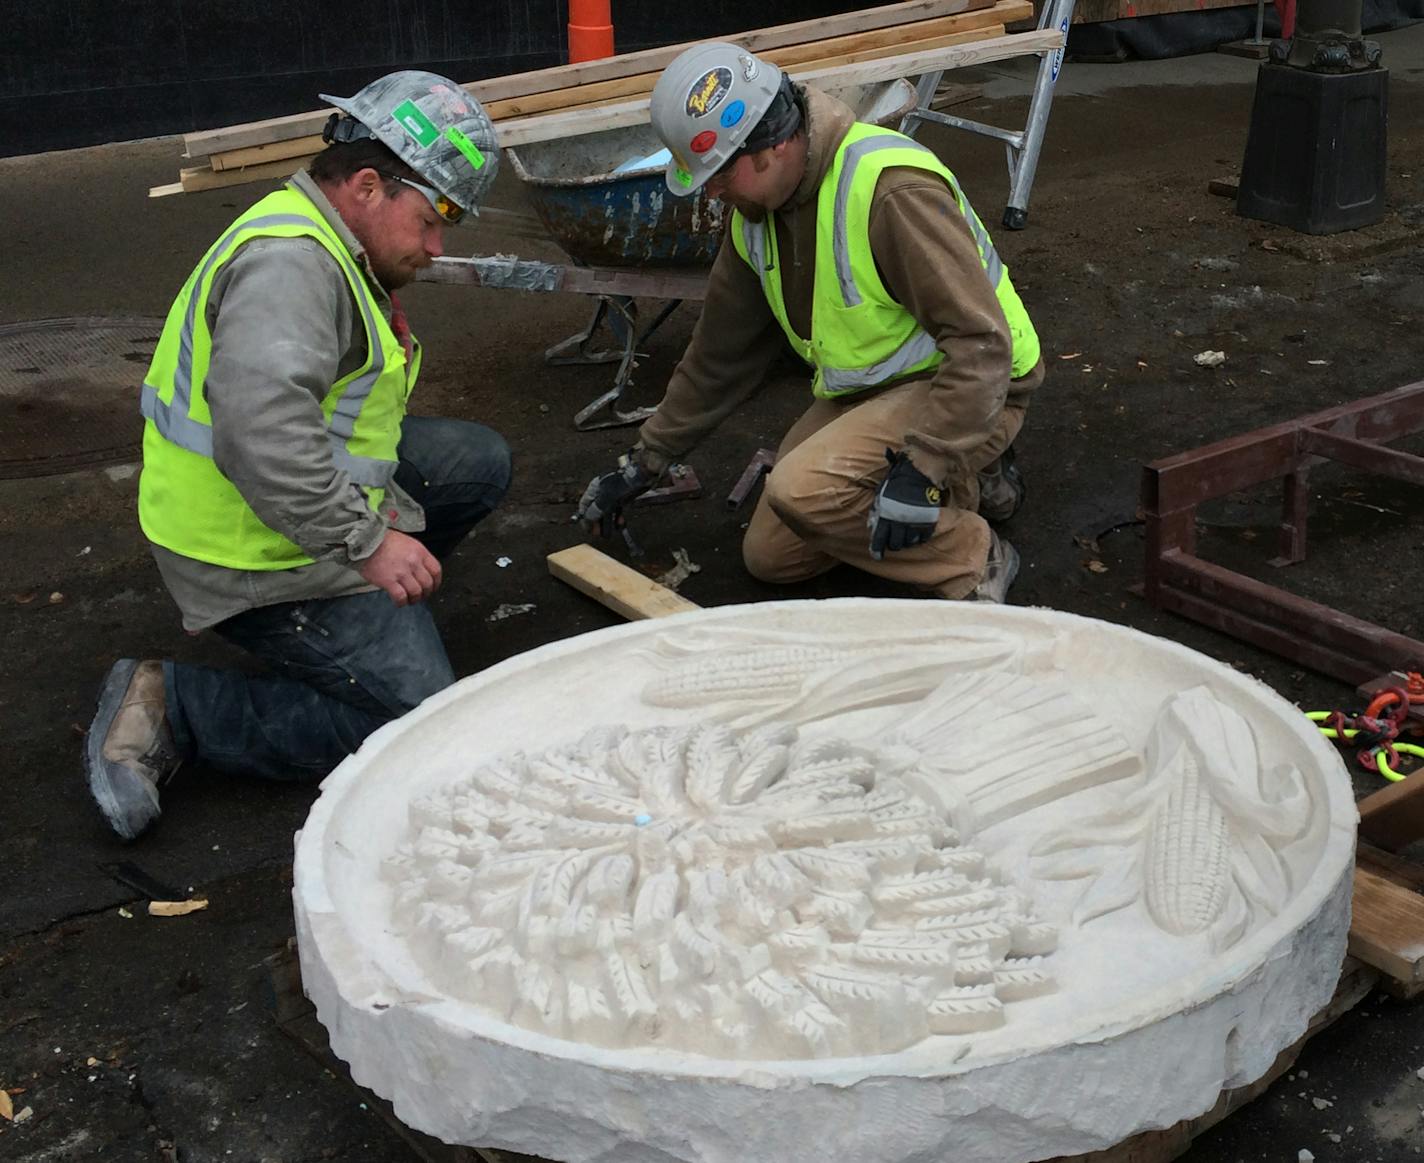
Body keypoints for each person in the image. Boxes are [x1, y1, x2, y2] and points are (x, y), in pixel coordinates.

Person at [84, 71, 512, 841]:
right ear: (371, 185)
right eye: (435, 216)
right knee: (416, 723)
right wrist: (371, 543)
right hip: (247, 549)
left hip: (290, 506)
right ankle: (176, 706)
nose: (439, 244)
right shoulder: (292, 265)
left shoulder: (331, 243)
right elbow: (262, 432)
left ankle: (360, 626)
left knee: (476, 461)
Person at [577, 44, 1044, 602]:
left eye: (717, 175)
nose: (710, 192)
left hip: (969, 382)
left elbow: (981, 342)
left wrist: (924, 466)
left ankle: (975, 555)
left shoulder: (889, 190)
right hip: (874, 391)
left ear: (773, 146)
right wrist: (647, 459)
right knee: (773, 556)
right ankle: (967, 476)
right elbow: (718, 356)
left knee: (805, 490)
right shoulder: (755, 215)